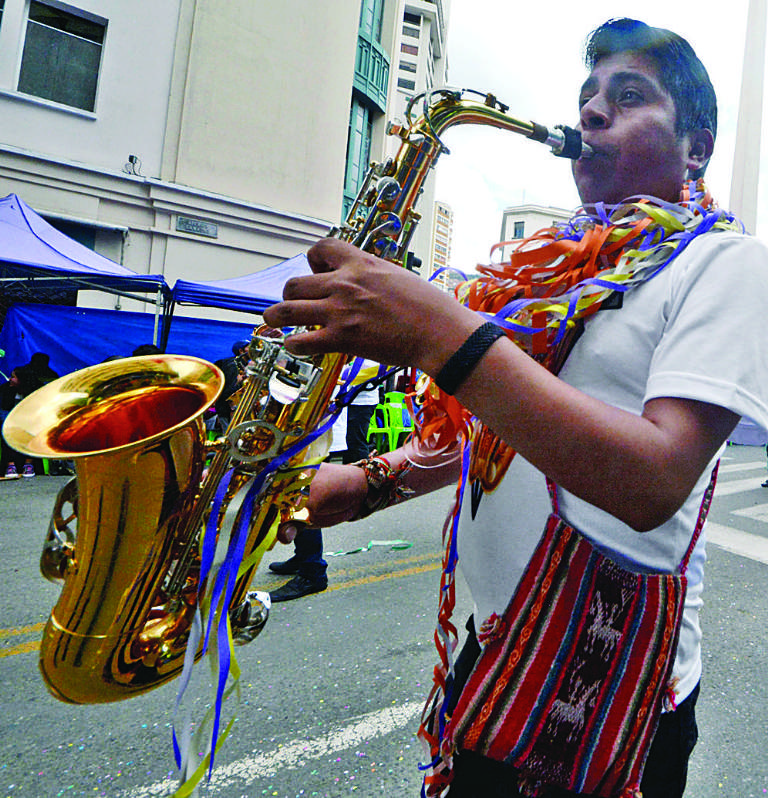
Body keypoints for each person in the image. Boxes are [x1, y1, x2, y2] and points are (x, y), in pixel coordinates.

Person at [262, 18, 768, 798]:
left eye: (629, 97)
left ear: (695, 147)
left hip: (609, 692)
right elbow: (508, 432)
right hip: (496, 651)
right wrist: (374, 482)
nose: (593, 112)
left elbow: (656, 477)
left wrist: (439, 329)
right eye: (588, 96)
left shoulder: (726, 261)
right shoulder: (559, 270)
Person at [268, 359, 379, 602]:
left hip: (312, 424)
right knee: (293, 490)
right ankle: (304, 558)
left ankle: (312, 570)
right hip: (300, 420)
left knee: (299, 492)